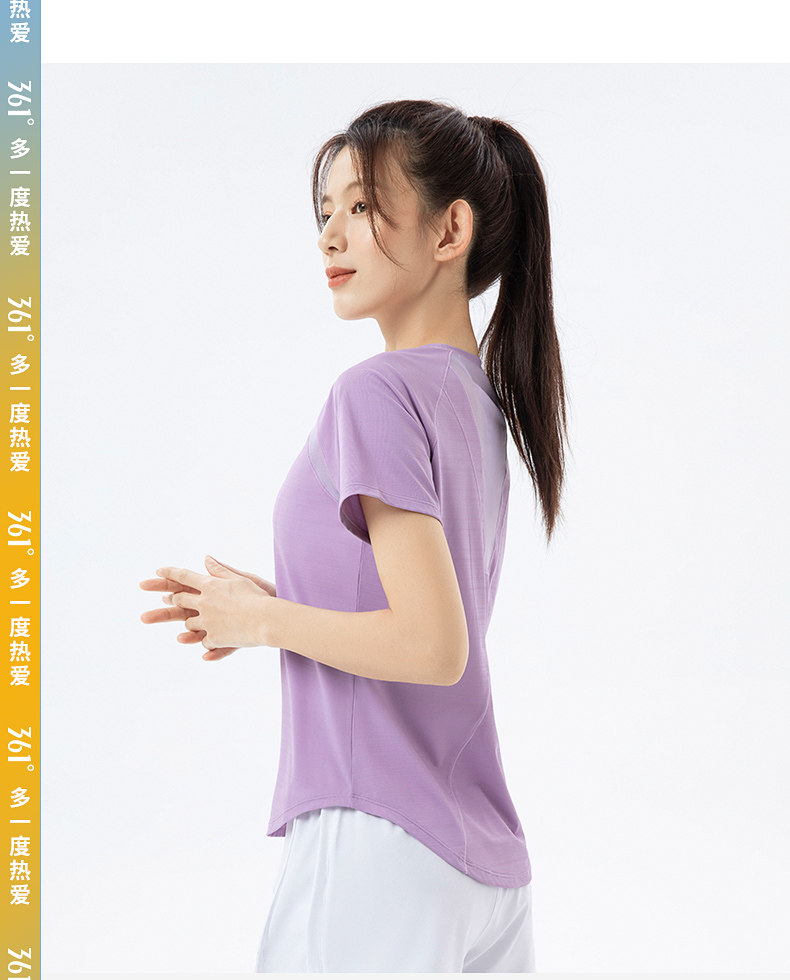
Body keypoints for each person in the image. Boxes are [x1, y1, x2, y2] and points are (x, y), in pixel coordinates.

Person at [139, 97, 568, 972]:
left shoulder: (375, 393)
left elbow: (432, 644)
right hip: (479, 865)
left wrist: (261, 623)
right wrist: (272, 600)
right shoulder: (475, 402)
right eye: (325, 210)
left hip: (378, 842)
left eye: (362, 206)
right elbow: (414, 603)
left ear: (451, 230)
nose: (330, 235)